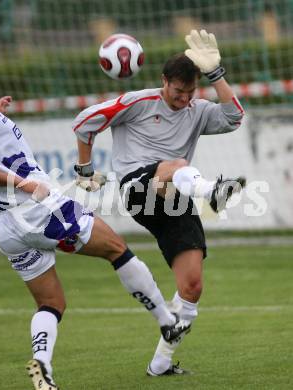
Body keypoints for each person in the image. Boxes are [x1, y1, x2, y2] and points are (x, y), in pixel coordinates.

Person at [0, 59, 189, 390]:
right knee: (117, 249)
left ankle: (42, 366)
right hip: (36, 209)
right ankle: (167, 321)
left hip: (6, 227)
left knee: (51, 303)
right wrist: (27, 185)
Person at [72, 29, 246, 376]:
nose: (183, 99)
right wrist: (85, 168)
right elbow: (84, 123)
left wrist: (216, 75)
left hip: (174, 197)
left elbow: (234, 117)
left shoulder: (196, 110)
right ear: (164, 81)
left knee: (192, 285)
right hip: (138, 187)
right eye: (178, 92)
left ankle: (160, 363)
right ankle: (211, 190)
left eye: (190, 92)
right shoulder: (138, 102)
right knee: (178, 165)